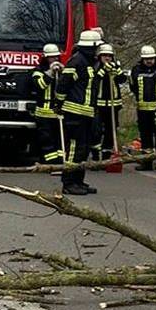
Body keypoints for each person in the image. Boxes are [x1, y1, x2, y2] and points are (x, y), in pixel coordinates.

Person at [55, 29, 103, 194]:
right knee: (74, 149)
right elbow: (63, 84)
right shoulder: (77, 62)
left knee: (83, 149)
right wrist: (59, 103)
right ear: (92, 47)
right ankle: (68, 183)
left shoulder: (89, 62)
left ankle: (79, 181)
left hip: (86, 113)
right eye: (98, 47)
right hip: (74, 113)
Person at [29, 43, 64, 165]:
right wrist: (50, 73)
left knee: (60, 138)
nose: (54, 60)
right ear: (45, 58)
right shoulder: (38, 72)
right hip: (43, 113)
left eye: (56, 57)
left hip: (57, 111)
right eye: (51, 57)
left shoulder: (62, 71)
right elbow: (40, 86)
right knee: (46, 139)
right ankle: (49, 161)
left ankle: (60, 161)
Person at [92, 43, 125, 161]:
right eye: (105, 55)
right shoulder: (95, 67)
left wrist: (117, 72)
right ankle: (96, 156)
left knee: (111, 130)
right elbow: (94, 81)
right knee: (96, 131)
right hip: (98, 105)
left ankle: (107, 155)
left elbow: (123, 80)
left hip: (113, 105)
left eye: (109, 56)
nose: (107, 58)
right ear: (100, 56)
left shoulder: (115, 66)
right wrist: (103, 71)